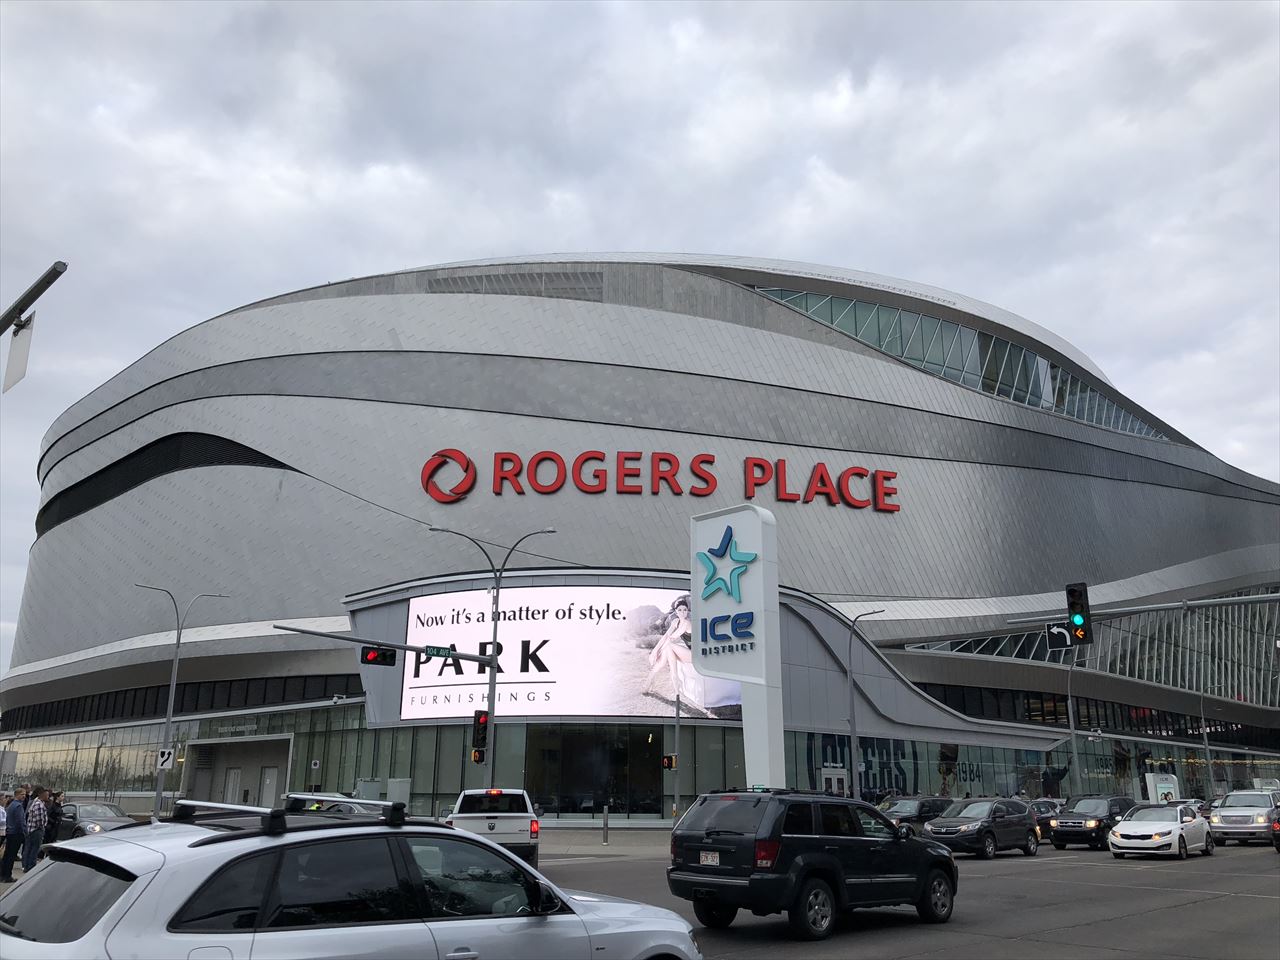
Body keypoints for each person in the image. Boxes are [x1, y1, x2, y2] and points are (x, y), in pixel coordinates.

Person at [642, 595, 693, 698]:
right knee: (667, 652)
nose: (683, 612)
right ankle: (651, 679)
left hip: (695, 655)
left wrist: (658, 652)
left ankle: (652, 681)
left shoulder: (687, 623)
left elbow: (671, 638)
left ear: (687, 611)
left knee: (669, 647)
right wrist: (655, 651)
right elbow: (665, 636)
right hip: (687, 653)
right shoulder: (675, 622)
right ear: (676, 612)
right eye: (680, 610)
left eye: (685, 610)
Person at [1, 788, 27, 883]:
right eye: (22, 794)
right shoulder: (18, 806)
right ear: (17, 795)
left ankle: (3, 874)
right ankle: (7, 876)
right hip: (16, 833)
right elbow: (20, 821)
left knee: (7, 855)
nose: (24, 796)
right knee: (11, 856)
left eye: (24, 794)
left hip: (10, 832)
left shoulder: (11, 805)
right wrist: (24, 832)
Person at [23, 786, 48, 873]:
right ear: (42, 794)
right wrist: (42, 827)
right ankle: (31, 867)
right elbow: (39, 820)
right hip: (36, 830)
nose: (48, 797)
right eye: (47, 795)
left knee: (29, 848)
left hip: (31, 829)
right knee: (34, 849)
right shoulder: (39, 805)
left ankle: (26, 865)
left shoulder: (35, 802)